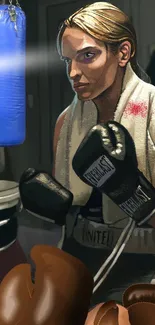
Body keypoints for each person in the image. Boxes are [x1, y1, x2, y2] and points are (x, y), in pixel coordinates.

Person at [53, 2, 155, 306]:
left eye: (87, 56)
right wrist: (52, 206)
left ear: (123, 53)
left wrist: (132, 192)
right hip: (78, 260)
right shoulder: (66, 122)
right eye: (67, 60)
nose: (73, 72)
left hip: (143, 268)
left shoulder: (152, 113)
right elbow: (68, 212)